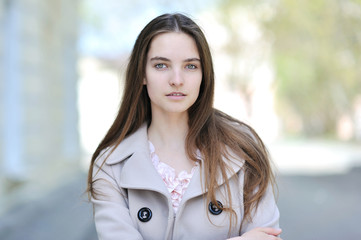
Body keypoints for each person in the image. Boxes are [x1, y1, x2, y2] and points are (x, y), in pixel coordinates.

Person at [87, 13, 281, 240]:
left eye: (190, 66)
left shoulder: (242, 151)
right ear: (142, 74)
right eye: (161, 65)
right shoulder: (111, 167)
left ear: (203, 74)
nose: (176, 79)